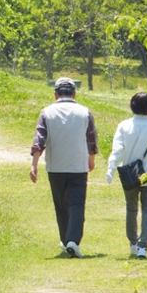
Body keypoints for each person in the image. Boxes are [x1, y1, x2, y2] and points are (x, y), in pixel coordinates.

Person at [30, 77, 98, 258]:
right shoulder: (85, 112)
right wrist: (91, 159)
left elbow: (39, 140)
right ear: (74, 94)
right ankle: (72, 241)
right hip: (78, 166)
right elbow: (91, 138)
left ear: (55, 94)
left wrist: (34, 165)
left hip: (56, 166)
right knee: (77, 205)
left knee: (61, 205)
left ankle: (67, 240)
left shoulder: (47, 112)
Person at [106, 92, 147, 259]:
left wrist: (111, 168)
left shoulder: (124, 125)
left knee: (131, 209)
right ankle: (143, 247)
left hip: (130, 174)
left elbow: (117, 150)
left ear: (132, 105)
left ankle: (133, 242)